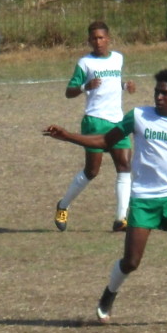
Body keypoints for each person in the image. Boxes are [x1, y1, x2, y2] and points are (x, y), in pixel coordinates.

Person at [43, 69, 167, 323]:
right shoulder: (138, 116)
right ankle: (109, 294)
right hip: (144, 199)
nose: (159, 97)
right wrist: (67, 135)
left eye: (165, 93)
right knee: (132, 262)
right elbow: (104, 140)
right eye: (157, 92)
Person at [54, 21, 136, 233]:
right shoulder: (85, 63)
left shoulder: (118, 58)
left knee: (125, 167)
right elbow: (69, 91)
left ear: (108, 39)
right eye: (94, 39)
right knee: (92, 171)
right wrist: (84, 86)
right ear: (89, 41)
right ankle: (63, 205)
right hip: (94, 121)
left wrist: (125, 86)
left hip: (117, 121)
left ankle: (121, 219)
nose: (98, 42)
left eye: (101, 38)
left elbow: (112, 82)